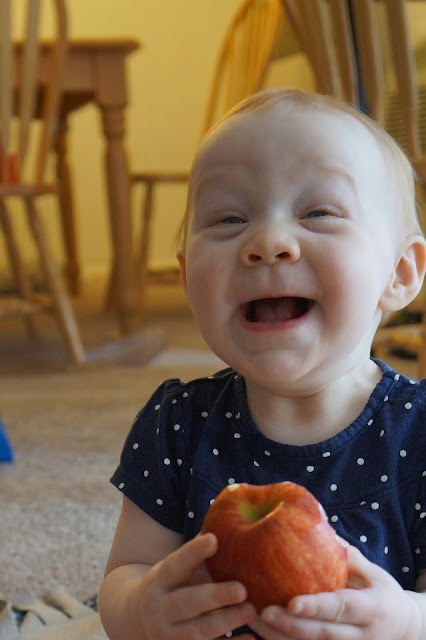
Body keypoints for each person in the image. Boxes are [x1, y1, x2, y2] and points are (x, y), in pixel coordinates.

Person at [98, 87, 426, 640]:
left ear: (399, 272)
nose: (269, 242)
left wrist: (408, 621)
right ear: (186, 278)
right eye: (229, 219)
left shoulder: (418, 432)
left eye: (318, 213)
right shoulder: (176, 424)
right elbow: (123, 578)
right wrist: (140, 611)